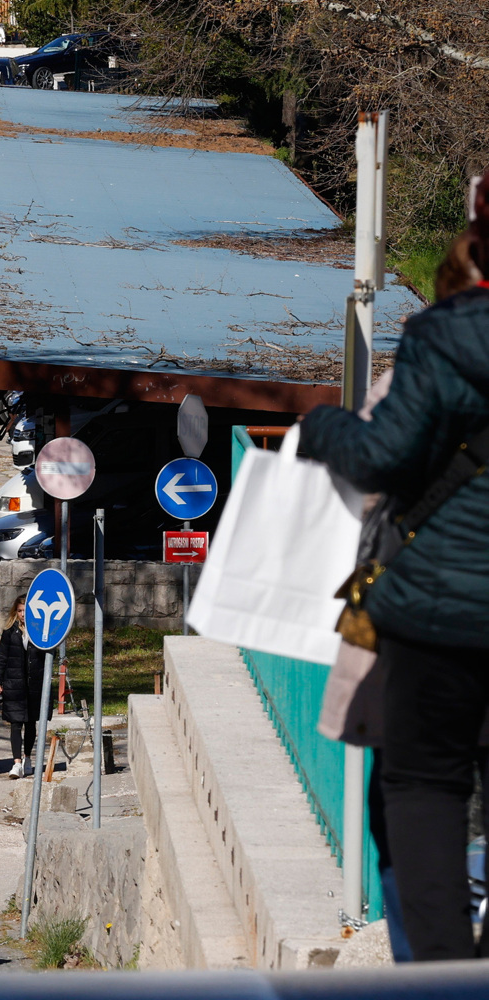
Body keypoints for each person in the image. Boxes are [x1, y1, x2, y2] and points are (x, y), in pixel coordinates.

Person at [300, 172, 489, 961]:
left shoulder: (448, 334)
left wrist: (323, 427)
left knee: (425, 788)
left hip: (439, 613)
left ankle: (446, 979)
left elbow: (384, 454)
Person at [0, 595, 43, 779]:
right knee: (15, 723)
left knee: (30, 723)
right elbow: (2, 658)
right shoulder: (9, 632)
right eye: (20, 611)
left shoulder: (38, 631)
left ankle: (28, 757)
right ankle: (16, 763)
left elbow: (45, 656)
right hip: (13, 683)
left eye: (26, 611)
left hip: (33, 684)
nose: (23, 614)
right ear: (16, 612)